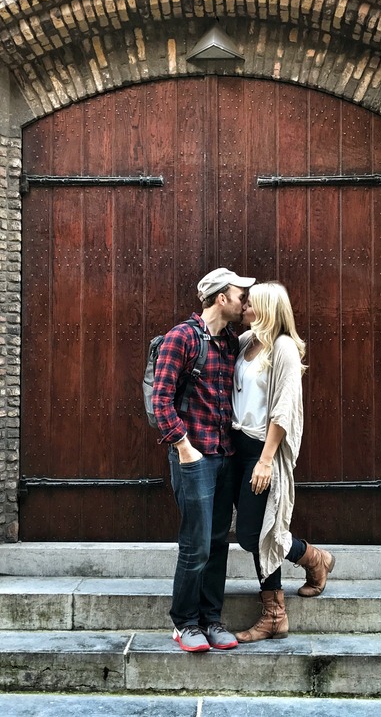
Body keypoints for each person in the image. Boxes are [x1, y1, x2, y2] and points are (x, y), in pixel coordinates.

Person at [152, 267, 255, 653]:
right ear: (220, 298)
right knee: (195, 543)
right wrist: (183, 445)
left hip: (225, 454)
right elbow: (160, 400)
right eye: (239, 292)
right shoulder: (182, 338)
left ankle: (211, 619)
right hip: (194, 457)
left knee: (216, 542)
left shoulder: (231, 342)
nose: (245, 299)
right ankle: (185, 623)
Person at [230, 282, 335, 643]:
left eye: (250, 303)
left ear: (266, 309)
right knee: (250, 533)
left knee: (258, 532)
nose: (243, 306)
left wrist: (266, 460)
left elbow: (283, 409)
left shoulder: (283, 348)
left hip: (263, 451)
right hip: (237, 448)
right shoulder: (246, 343)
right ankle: (313, 558)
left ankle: (274, 614)